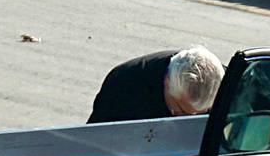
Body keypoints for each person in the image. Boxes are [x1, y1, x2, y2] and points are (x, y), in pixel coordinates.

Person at [87, 45, 225, 123]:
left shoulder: (231, 88)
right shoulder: (122, 87)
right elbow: (95, 142)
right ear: (167, 82)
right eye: (180, 112)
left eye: (201, 114)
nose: (187, 121)